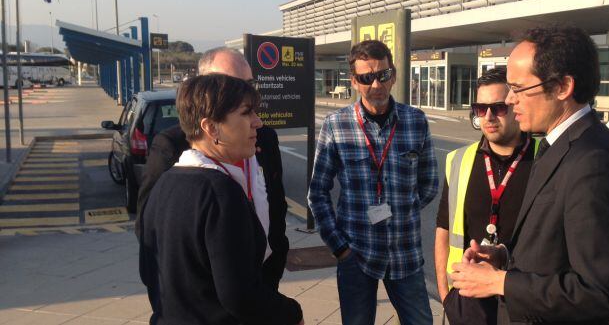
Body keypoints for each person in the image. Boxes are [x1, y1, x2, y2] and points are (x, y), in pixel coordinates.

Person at [450, 25, 609, 324]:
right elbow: (554, 248)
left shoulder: (593, 161)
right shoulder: (555, 142)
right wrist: (504, 257)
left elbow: (603, 291)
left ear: (563, 87)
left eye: (519, 89)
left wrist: (500, 283)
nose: (510, 100)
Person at [139, 74, 303, 325]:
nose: (257, 122)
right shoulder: (220, 192)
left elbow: (149, 271)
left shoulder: (166, 183)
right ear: (211, 127)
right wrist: (292, 312)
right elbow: (239, 296)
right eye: (246, 113)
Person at [308, 40, 439, 325]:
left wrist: (402, 210)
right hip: (356, 255)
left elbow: (429, 183)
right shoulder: (336, 125)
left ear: (393, 75)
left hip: (405, 253)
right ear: (354, 81)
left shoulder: (416, 121)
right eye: (366, 78)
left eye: (383, 75)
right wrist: (339, 247)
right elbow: (317, 191)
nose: (376, 85)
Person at [435, 68, 536, 324]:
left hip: (523, 294)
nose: (488, 116)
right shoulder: (459, 160)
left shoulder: (543, 158)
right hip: (468, 300)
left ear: (515, 105)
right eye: (480, 108)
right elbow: (443, 229)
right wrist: (445, 295)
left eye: (498, 107)